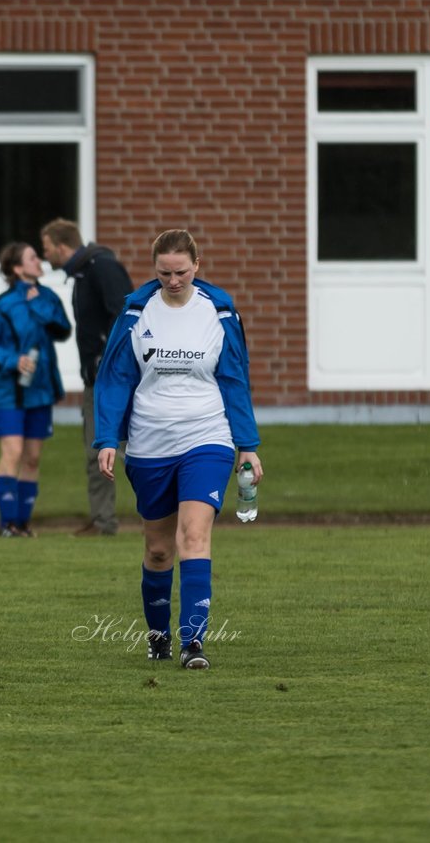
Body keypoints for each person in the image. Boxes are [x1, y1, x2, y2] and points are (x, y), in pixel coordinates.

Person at [93, 229, 262, 670]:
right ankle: (158, 636)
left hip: (207, 436)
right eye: (164, 272)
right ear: (155, 269)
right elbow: (114, 380)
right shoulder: (135, 311)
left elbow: (234, 378)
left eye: (181, 272)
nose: (173, 280)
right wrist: (108, 437)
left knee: (194, 536)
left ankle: (193, 645)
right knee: (159, 550)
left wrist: (247, 445)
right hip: (149, 443)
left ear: (197, 265)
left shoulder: (218, 311)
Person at [0, 242, 72, 537]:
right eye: (31, 257)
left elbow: (63, 329)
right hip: (7, 392)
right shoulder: (2, 304)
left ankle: (24, 524)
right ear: (17, 268)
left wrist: (38, 305)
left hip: (39, 390)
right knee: (12, 452)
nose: (38, 260)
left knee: (32, 458)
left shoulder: (48, 297)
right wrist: (14, 361)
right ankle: (7, 525)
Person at [41, 218, 132, 537]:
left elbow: (126, 314)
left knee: (128, 450)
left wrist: (108, 359)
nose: (45, 255)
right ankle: (102, 521)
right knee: (97, 452)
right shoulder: (83, 273)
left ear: (62, 246)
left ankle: (162, 516)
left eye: (47, 248)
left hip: (115, 379)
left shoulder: (101, 267)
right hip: (97, 379)